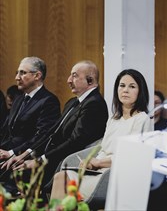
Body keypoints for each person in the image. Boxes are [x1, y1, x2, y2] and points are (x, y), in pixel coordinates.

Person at [3, 60, 109, 192]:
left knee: (12, 176)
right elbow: (50, 134)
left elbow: (75, 142)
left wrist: (40, 161)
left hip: (64, 162)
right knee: (12, 166)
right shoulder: (73, 102)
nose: (69, 80)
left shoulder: (94, 104)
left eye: (74, 76)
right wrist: (25, 154)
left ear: (90, 80)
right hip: (50, 157)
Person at [50, 69, 152, 201]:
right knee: (61, 176)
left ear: (140, 92)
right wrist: (89, 163)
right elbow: (103, 149)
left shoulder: (142, 119)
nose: (125, 90)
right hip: (98, 171)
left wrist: (98, 162)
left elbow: (132, 157)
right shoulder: (114, 119)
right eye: (122, 86)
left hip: (117, 174)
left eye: (132, 86)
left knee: (67, 186)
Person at [0, 57, 61, 194]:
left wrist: (12, 153)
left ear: (37, 76)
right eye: (17, 72)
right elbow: (6, 130)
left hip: (24, 160)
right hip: (7, 154)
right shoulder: (19, 98)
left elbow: (43, 136)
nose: (17, 77)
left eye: (22, 73)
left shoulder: (48, 101)